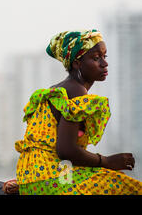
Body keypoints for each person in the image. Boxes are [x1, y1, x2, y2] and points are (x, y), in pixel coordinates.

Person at [14, 29, 141, 195]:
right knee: (131, 188)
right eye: (96, 58)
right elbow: (66, 150)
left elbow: (63, 159)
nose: (104, 63)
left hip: (34, 176)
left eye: (105, 57)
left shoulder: (60, 89)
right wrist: (107, 161)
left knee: (112, 178)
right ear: (77, 63)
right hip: (48, 176)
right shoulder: (75, 91)